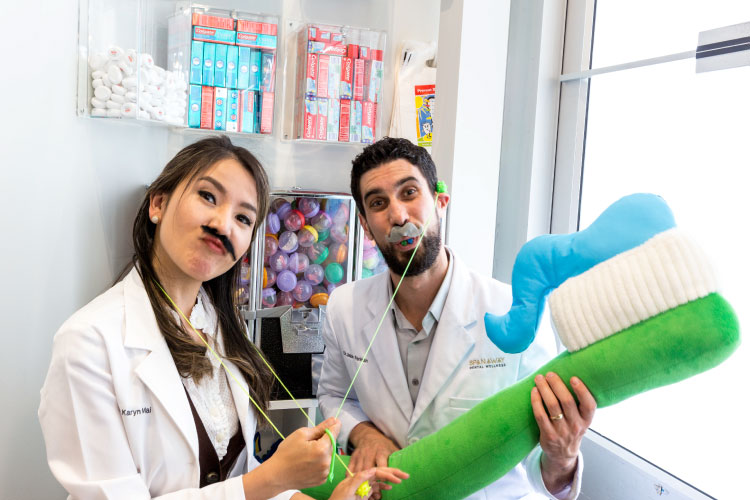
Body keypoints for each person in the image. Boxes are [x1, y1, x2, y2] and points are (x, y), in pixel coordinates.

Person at [39, 136, 406, 500]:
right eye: (208, 197)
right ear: (158, 204)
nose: (222, 223)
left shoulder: (217, 324)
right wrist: (273, 478)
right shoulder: (88, 343)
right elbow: (247, 487)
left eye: (243, 217)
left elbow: (236, 475)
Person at [317, 137, 597, 500]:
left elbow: (541, 456)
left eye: (410, 193)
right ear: (367, 227)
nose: (399, 217)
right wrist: (364, 433)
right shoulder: (344, 307)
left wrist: (562, 459)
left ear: (440, 202)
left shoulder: (514, 311)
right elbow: (334, 396)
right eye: (378, 203)